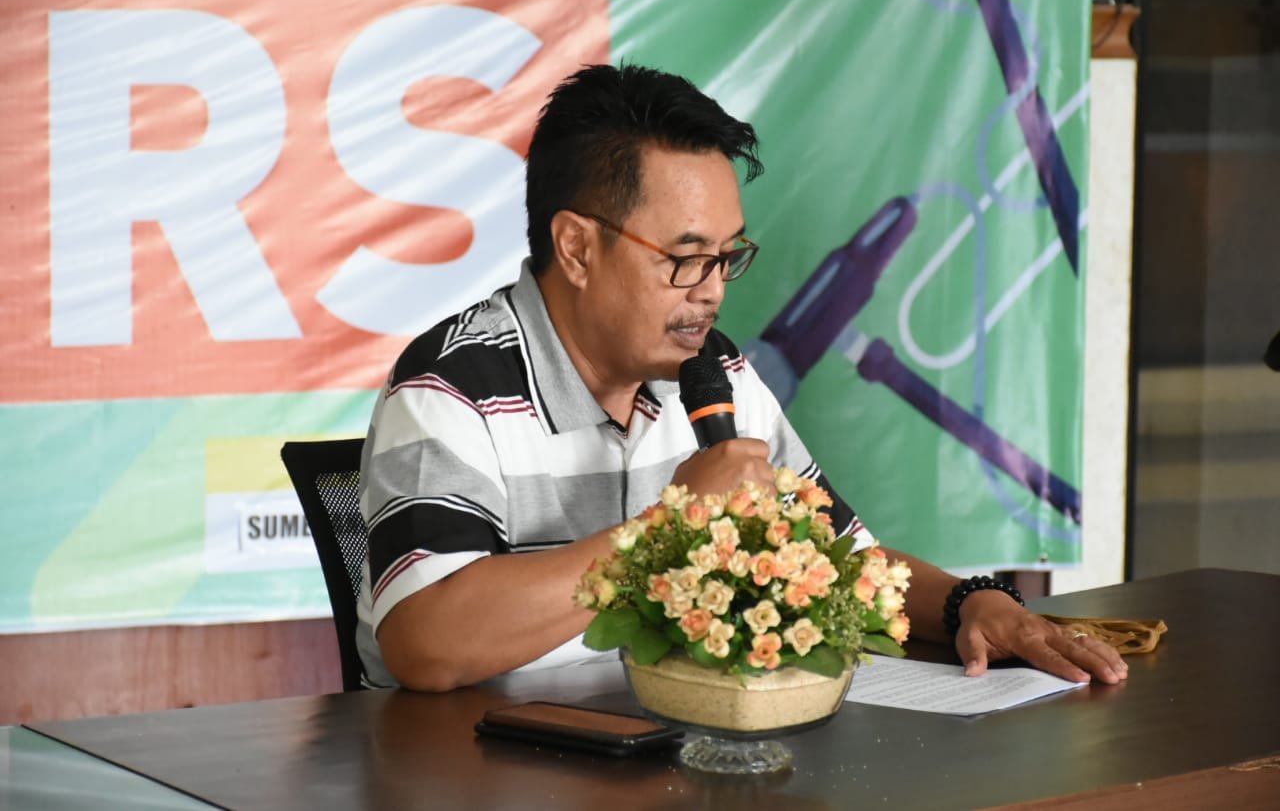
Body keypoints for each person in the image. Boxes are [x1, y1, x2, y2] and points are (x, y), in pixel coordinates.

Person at [355, 63, 1128, 692]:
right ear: (578, 247)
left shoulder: (711, 370)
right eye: (687, 258)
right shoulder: (450, 386)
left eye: (727, 257)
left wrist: (973, 601)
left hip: (665, 753)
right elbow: (427, 643)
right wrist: (669, 527)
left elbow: (844, 561)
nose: (714, 290)